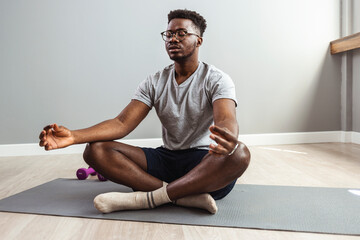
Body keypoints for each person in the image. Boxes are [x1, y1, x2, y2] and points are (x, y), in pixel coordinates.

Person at [39, 9, 250, 214]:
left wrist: (228, 138)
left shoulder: (217, 78)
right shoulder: (155, 81)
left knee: (240, 153)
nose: (173, 39)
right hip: (167, 158)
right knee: (95, 150)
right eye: (168, 34)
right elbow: (122, 123)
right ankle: (181, 196)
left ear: (199, 40)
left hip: (204, 162)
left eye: (181, 33)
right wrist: (74, 136)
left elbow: (226, 118)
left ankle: (149, 198)